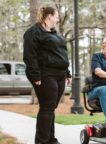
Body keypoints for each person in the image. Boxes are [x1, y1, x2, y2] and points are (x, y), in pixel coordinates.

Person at [23, 6, 71, 144]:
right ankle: (42, 141)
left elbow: (62, 55)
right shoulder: (33, 32)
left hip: (60, 74)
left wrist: (67, 73)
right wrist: (35, 75)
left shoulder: (55, 34)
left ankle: (51, 140)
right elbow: (29, 56)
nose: (58, 18)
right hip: (46, 73)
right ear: (49, 16)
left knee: (50, 108)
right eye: (56, 15)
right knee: (47, 107)